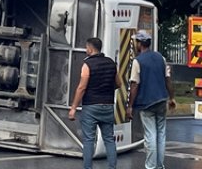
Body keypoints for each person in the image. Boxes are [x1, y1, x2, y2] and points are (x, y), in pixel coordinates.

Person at [69, 37, 118, 169]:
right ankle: (112, 167)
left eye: (86, 47)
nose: (86, 50)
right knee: (109, 139)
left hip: (91, 106)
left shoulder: (87, 64)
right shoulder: (111, 63)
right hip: (108, 105)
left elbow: (82, 87)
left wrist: (73, 107)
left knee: (89, 140)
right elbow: (118, 83)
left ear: (90, 48)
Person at [129, 30, 175, 169]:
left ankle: (150, 166)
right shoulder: (160, 58)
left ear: (140, 43)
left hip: (146, 103)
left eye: (136, 41)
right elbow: (167, 80)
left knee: (150, 135)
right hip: (161, 100)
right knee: (161, 134)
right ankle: (160, 166)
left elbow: (134, 85)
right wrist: (171, 98)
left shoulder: (138, 61)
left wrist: (130, 105)